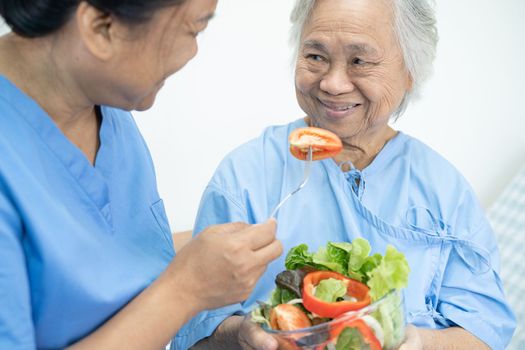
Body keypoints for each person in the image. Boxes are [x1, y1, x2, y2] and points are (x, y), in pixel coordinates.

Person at [174, 0, 516, 349]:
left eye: (360, 61)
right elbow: (192, 331)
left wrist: (421, 342)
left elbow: (484, 333)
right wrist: (239, 335)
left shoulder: (445, 191)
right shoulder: (244, 176)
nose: (333, 84)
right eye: (316, 56)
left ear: (411, 70)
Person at [0, 0, 283, 349]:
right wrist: (187, 289)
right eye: (193, 29)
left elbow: (122, 259)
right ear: (100, 28)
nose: (193, 52)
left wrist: (225, 324)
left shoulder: (102, 99)